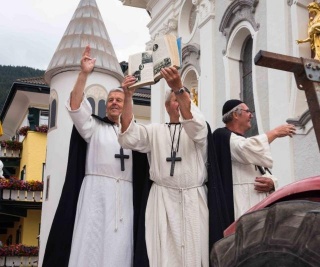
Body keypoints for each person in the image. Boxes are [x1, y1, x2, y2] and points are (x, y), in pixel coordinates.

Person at [43, 45, 149, 267]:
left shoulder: (136, 134)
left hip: (124, 194)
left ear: (126, 105)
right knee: (90, 242)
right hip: (95, 193)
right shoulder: (93, 127)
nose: (114, 103)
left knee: (120, 246)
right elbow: (74, 106)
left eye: (119, 100)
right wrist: (84, 74)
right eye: (111, 99)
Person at [119, 67, 222, 267]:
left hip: (193, 198)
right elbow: (128, 137)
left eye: (181, 97)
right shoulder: (155, 131)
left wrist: (178, 88)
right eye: (175, 98)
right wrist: (128, 97)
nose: (179, 101)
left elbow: (196, 126)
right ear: (167, 106)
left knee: (195, 252)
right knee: (161, 253)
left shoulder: (198, 130)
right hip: (162, 200)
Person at [212, 99, 296, 223]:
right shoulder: (222, 136)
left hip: (259, 206)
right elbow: (245, 148)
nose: (251, 115)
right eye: (247, 111)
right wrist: (275, 132)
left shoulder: (242, 141)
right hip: (241, 204)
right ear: (235, 114)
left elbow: (264, 171)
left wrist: (272, 183)